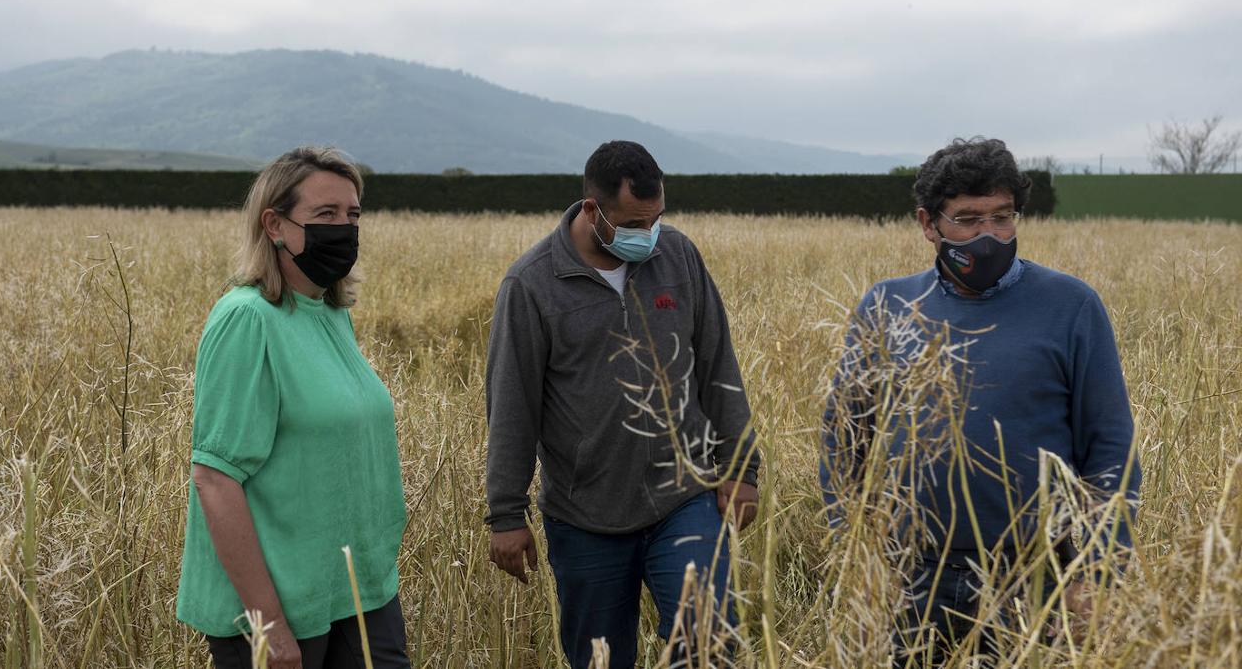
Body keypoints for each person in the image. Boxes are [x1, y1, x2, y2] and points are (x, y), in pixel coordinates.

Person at [820, 137, 1141, 661]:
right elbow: (844, 437)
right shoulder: (889, 305)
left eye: (1002, 217)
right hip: (909, 576)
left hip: (1036, 573)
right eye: (968, 220)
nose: (988, 236)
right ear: (928, 224)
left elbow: (1110, 447)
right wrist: (856, 554)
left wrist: (1096, 572)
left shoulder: (1071, 306)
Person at [485, 140, 761, 668]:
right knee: (600, 660)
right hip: (585, 516)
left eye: (655, 220)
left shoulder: (677, 256)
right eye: (633, 223)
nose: (647, 235)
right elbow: (511, 404)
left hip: (685, 497)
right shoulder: (532, 284)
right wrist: (505, 514)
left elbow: (717, 364)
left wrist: (743, 467)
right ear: (592, 210)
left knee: (709, 645)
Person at [177, 146, 411, 669]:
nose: (344, 228)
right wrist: (269, 626)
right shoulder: (247, 319)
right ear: (275, 225)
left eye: (352, 215)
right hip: (280, 611)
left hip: (358, 594)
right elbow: (215, 479)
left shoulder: (328, 313)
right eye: (324, 215)